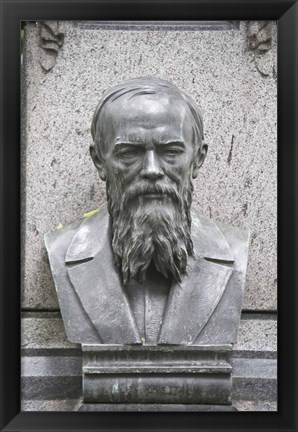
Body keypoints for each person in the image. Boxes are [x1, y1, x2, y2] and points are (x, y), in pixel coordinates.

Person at [45, 77, 249, 346]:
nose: (152, 169)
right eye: (129, 153)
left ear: (198, 158)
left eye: (171, 151)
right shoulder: (61, 250)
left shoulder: (234, 250)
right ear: (99, 161)